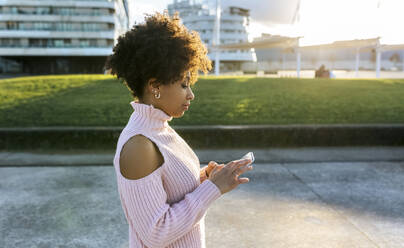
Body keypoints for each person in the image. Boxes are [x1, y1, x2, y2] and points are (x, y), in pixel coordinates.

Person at [104, 12, 253, 248]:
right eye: (184, 84)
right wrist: (213, 189)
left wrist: (205, 178)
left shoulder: (159, 127)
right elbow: (156, 233)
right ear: (155, 86)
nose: (191, 94)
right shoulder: (139, 145)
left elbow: (170, 191)